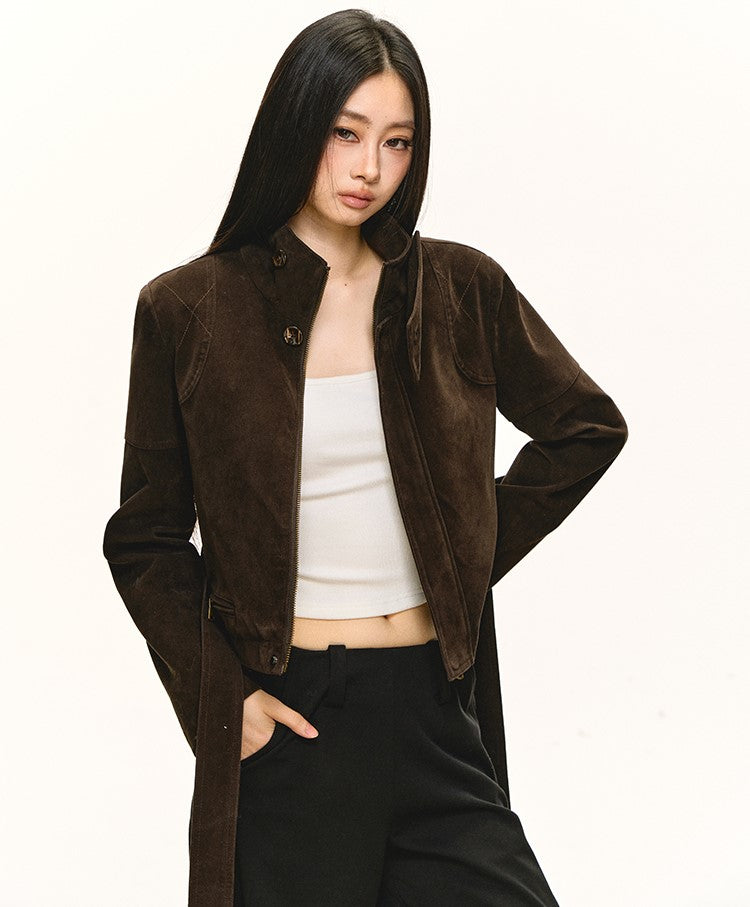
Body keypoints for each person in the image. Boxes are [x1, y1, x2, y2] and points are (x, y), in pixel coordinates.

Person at [103, 9, 628, 907]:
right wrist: (223, 704)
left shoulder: (459, 288)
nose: (369, 169)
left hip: (434, 709)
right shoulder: (189, 309)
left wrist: (460, 554)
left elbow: (586, 428)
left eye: (397, 141)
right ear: (295, 124)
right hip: (295, 719)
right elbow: (145, 537)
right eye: (345, 133)